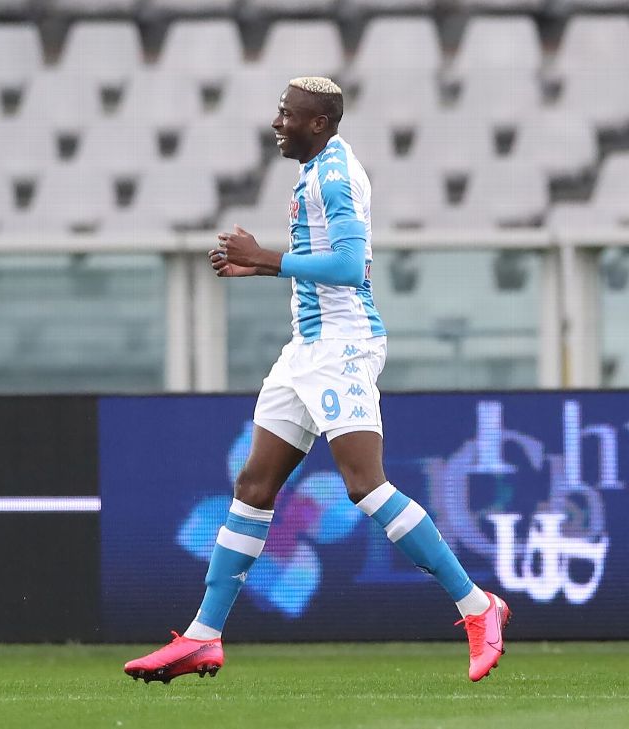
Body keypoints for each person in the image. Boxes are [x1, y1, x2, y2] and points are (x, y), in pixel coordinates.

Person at [123, 78, 510, 684]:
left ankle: (478, 606)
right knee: (253, 485)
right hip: (305, 350)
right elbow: (327, 259)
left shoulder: (334, 175)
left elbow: (351, 266)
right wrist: (263, 269)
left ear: (319, 122)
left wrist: (265, 257)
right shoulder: (315, 170)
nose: (277, 123)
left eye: (287, 114)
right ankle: (202, 636)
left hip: (342, 348)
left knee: (366, 486)